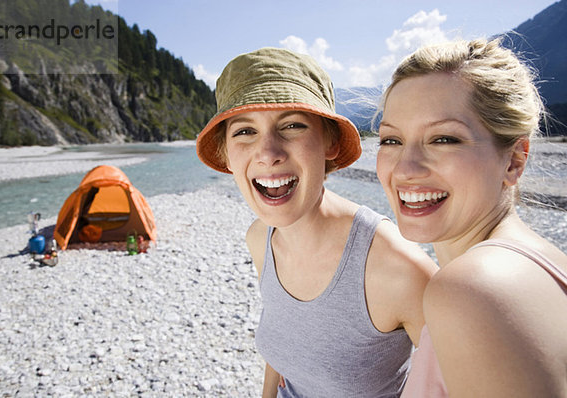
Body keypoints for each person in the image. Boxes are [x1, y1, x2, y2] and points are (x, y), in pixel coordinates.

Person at [196, 47, 437, 397]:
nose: (268, 153)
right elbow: (282, 350)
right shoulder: (260, 239)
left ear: (330, 142)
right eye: (245, 132)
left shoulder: (399, 269)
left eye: (292, 125)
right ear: (226, 155)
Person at [376, 37, 567, 397]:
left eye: (444, 139)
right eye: (391, 140)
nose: (405, 169)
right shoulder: (545, 264)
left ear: (514, 160)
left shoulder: (471, 290)